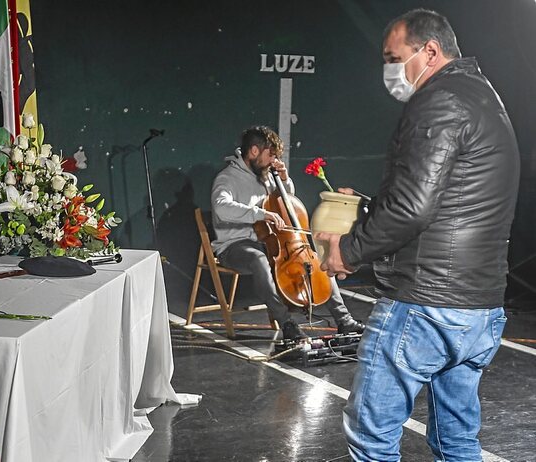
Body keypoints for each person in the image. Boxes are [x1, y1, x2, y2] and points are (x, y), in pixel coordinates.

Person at [316, 9, 519, 461]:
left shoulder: (439, 100)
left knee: (371, 439)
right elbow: (453, 199)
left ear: (430, 50)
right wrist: (368, 206)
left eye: (394, 58)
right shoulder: (484, 96)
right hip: (480, 308)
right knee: (456, 442)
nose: (389, 71)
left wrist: (348, 251)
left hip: (426, 304)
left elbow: (413, 207)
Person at [210, 125, 365, 342]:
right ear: (254, 151)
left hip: (270, 243)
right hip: (235, 245)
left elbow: (285, 203)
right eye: (271, 155)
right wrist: (260, 214)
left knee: (315, 260)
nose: (273, 161)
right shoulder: (227, 178)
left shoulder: (265, 175)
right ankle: (287, 323)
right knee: (258, 260)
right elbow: (221, 207)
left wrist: (283, 180)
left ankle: (344, 320)